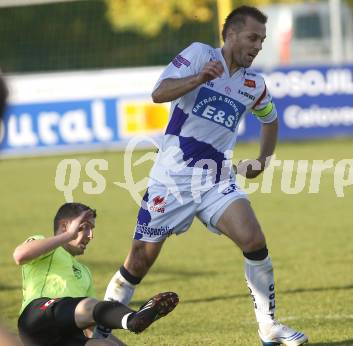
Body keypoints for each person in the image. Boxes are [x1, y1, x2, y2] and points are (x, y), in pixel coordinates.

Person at [101, 5, 308, 346]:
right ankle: (101, 329)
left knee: (253, 239)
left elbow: (270, 119)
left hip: (216, 178)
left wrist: (262, 160)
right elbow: (158, 93)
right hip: (173, 178)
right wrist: (199, 78)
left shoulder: (254, 84)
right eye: (252, 38)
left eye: (262, 40)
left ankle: (269, 328)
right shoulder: (200, 55)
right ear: (230, 35)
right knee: (139, 260)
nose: (257, 46)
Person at [13, 203, 179, 346]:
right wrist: (68, 236)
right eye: (85, 227)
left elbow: (94, 323)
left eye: (92, 229)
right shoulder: (45, 246)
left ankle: (132, 319)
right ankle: (132, 319)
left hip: (66, 335)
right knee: (87, 305)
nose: (91, 236)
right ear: (65, 226)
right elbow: (20, 256)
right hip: (38, 318)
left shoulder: (85, 273)